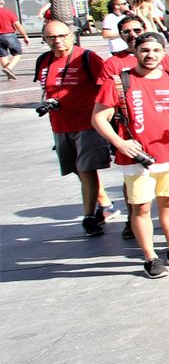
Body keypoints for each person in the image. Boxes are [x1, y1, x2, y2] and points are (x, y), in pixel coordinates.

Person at [90, 32, 169, 278]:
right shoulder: (119, 82)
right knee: (141, 208)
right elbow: (98, 118)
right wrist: (119, 142)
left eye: (156, 50)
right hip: (136, 157)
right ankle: (150, 257)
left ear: (164, 53)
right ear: (135, 52)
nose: (151, 55)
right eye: (145, 50)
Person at [35, 19, 113, 234]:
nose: (57, 41)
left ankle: (89, 216)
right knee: (77, 169)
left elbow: (107, 86)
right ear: (44, 39)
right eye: (51, 37)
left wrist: (106, 116)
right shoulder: (44, 60)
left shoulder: (87, 57)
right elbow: (49, 89)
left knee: (86, 169)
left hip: (87, 123)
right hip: (60, 125)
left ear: (71, 35)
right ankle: (105, 203)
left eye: (61, 36)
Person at [0, 0, 29, 80]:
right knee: (17, 53)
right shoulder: (9, 12)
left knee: (2, 56)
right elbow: (17, 25)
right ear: (3, 2)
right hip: (9, 35)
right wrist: (25, 36)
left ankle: (9, 74)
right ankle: (9, 68)